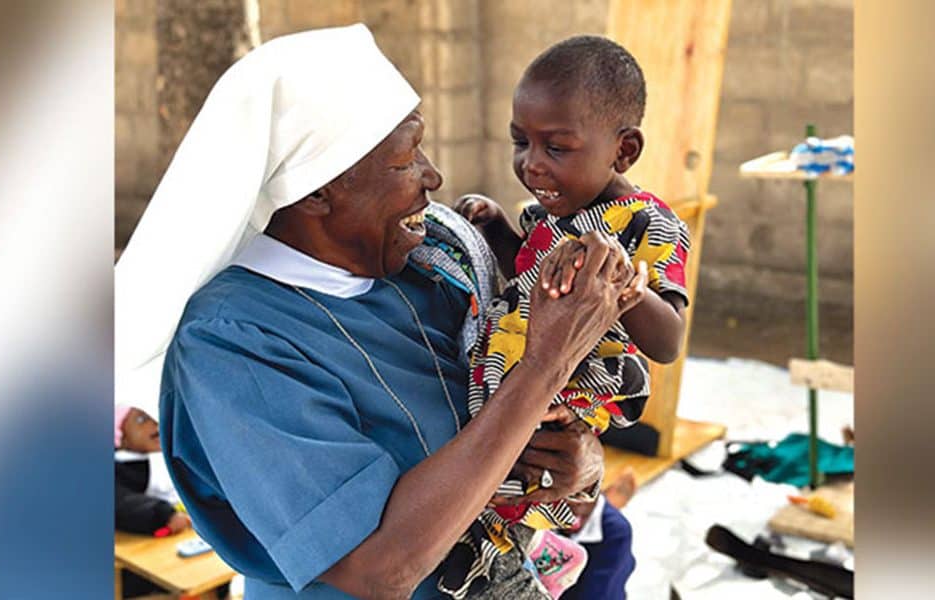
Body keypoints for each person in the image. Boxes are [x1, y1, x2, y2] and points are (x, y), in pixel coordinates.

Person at [114, 24, 646, 600]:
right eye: (404, 160)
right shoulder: (233, 343)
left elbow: (522, 431)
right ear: (317, 192)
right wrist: (544, 366)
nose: (433, 177)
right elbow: (379, 568)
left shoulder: (433, 264)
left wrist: (578, 467)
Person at [448, 35, 692, 598]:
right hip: (516, 362)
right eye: (519, 142)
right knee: (489, 460)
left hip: (576, 385)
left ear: (623, 151)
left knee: (513, 477)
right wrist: (495, 230)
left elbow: (669, 339)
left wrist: (627, 287)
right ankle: (545, 554)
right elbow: (530, 272)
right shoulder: (549, 215)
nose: (531, 164)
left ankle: (532, 557)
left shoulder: (646, 226)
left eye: (555, 147)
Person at [114, 404, 193, 598]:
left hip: (181, 542)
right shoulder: (119, 468)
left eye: (154, 417)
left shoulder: (168, 457)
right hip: (139, 561)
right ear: (121, 438)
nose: (153, 424)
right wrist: (164, 514)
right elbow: (120, 502)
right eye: (141, 420)